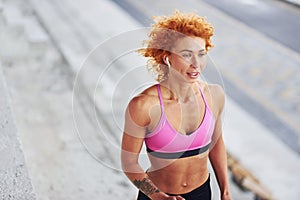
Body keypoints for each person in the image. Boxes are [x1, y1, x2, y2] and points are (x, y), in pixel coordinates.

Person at [121, 10, 232, 200]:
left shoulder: (214, 95)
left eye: (201, 54)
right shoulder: (143, 105)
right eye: (187, 55)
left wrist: (225, 191)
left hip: (202, 194)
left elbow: (216, 144)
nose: (196, 64)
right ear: (167, 57)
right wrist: (158, 196)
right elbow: (129, 163)